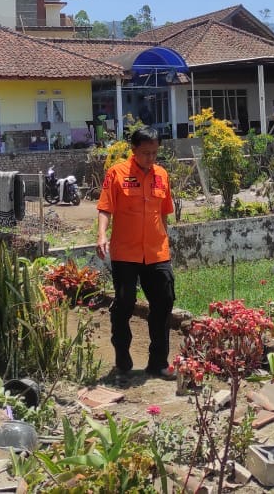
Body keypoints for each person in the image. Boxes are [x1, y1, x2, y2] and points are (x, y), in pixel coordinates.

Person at [96, 126, 176, 383]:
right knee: (124, 304)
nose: (150, 158)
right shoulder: (116, 174)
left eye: (154, 153)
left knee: (164, 304)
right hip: (125, 253)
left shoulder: (162, 175)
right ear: (133, 150)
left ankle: (158, 363)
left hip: (156, 252)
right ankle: (123, 361)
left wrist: (166, 242)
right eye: (145, 153)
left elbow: (163, 213)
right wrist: (101, 235)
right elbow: (105, 208)